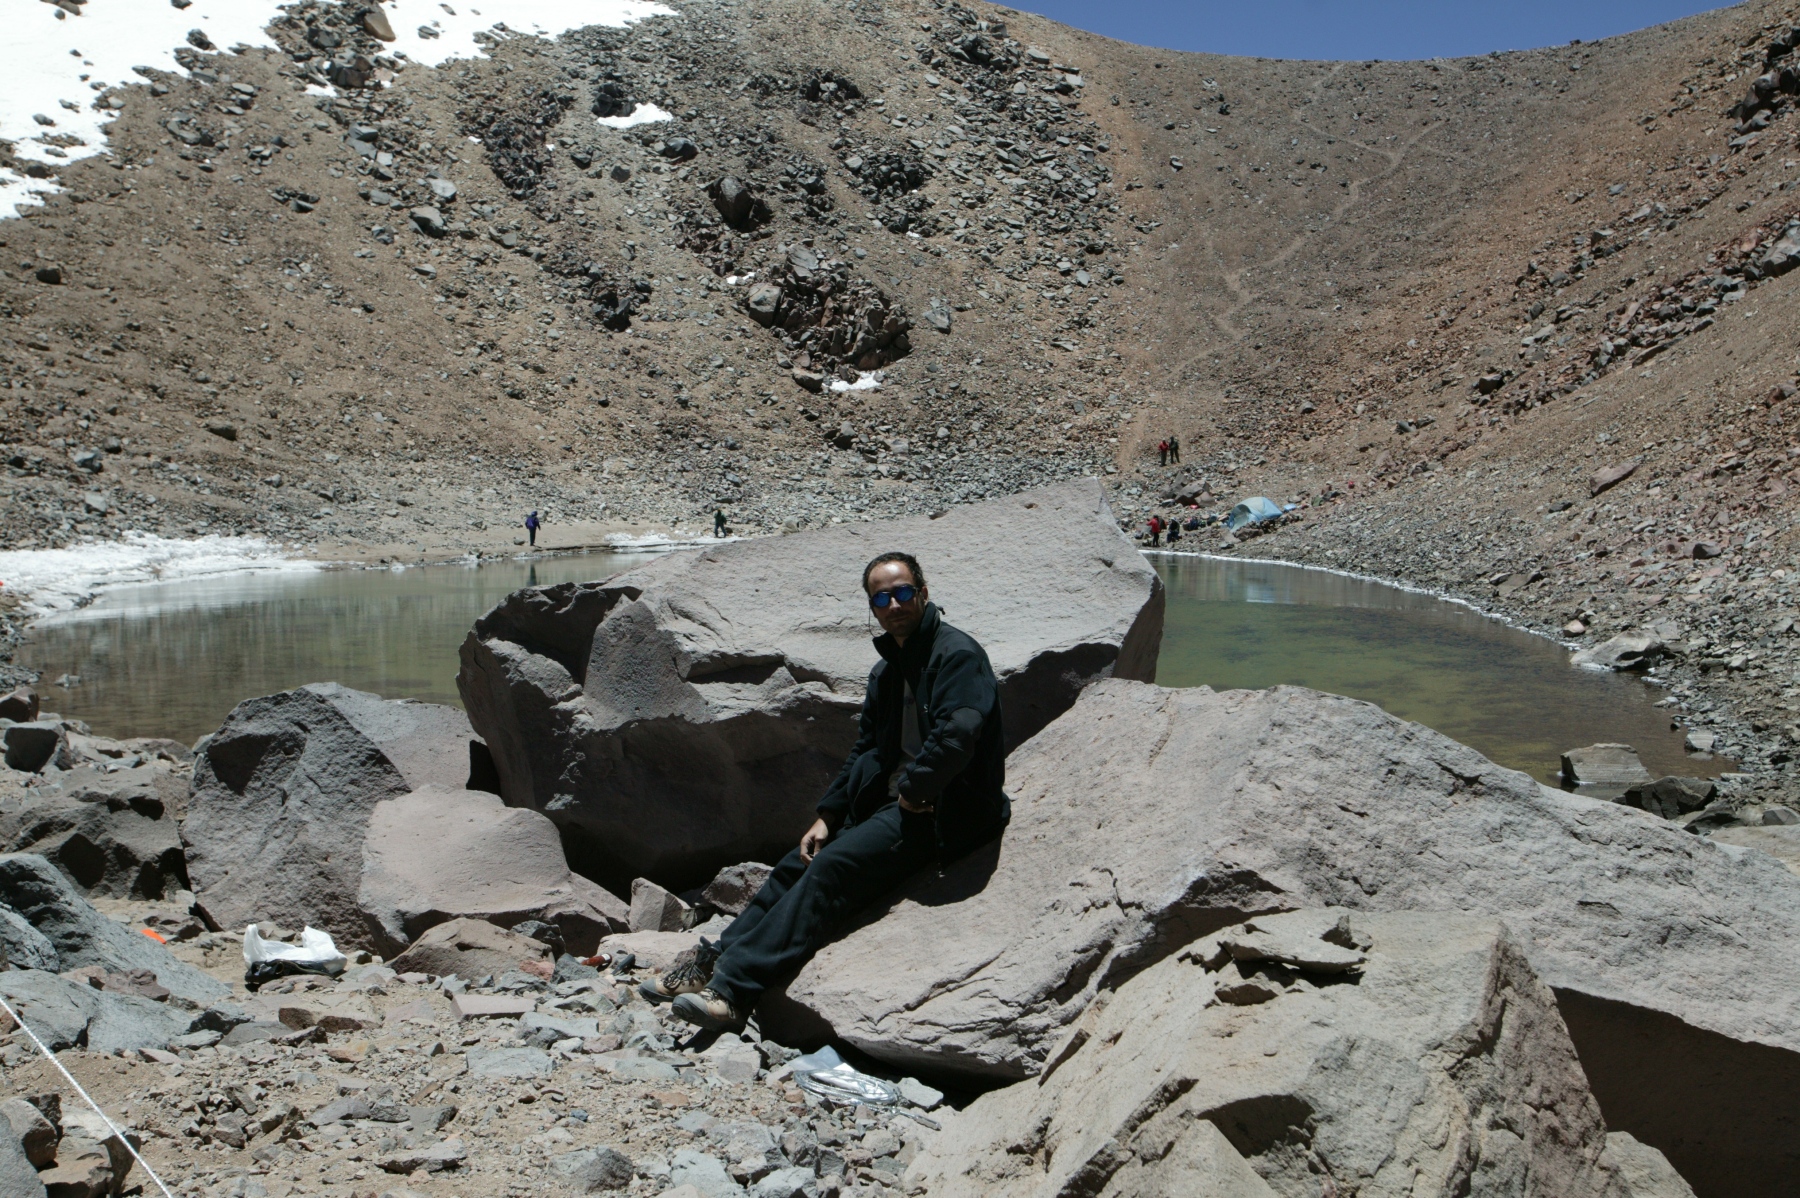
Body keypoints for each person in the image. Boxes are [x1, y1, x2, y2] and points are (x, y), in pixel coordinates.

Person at [644, 552, 1011, 1032]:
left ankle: (733, 992)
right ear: (872, 607)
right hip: (891, 802)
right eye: (881, 598)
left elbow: (959, 734)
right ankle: (710, 962)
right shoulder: (888, 670)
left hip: (943, 809)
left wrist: (915, 792)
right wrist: (829, 815)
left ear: (923, 593)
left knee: (832, 869)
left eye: (902, 593)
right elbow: (866, 749)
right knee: (795, 864)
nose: (893, 605)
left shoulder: (956, 655)